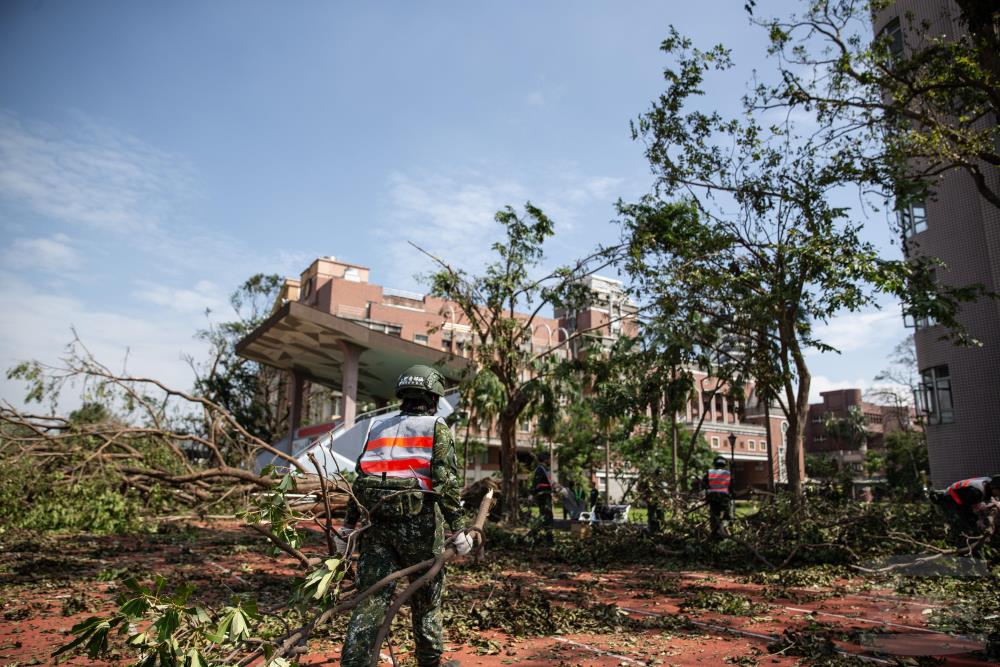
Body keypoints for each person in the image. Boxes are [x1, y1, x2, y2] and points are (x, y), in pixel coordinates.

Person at [339, 364, 471, 667]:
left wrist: (347, 526)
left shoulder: (377, 426)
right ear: (434, 396)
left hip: (376, 528)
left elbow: (360, 480)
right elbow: (445, 483)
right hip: (419, 529)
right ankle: (429, 663)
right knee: (426, 602)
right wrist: (460, 528)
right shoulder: (436, 426)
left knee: (370, 602)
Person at [703, 456, 732, 539]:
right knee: (725, 516)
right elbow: (731, 487)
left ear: (715, 463)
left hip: (713, 497)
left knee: (714, 516)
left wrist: (707, 490)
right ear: (724, 464)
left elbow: (704, 483)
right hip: (724, 498)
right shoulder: (728, 473)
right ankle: (725, 532)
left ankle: (716, 533)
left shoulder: (710, 472)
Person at [531, 458, 554, 544]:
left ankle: (545, 537)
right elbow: (536, 482)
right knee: (546, 516)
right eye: (548, 459)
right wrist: (533, 493)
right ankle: (548, 538)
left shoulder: (545, 469)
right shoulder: (540, 469)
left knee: (547, 516)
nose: (549, 461)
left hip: (546, 495)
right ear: (544, 459)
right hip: (543, 496)